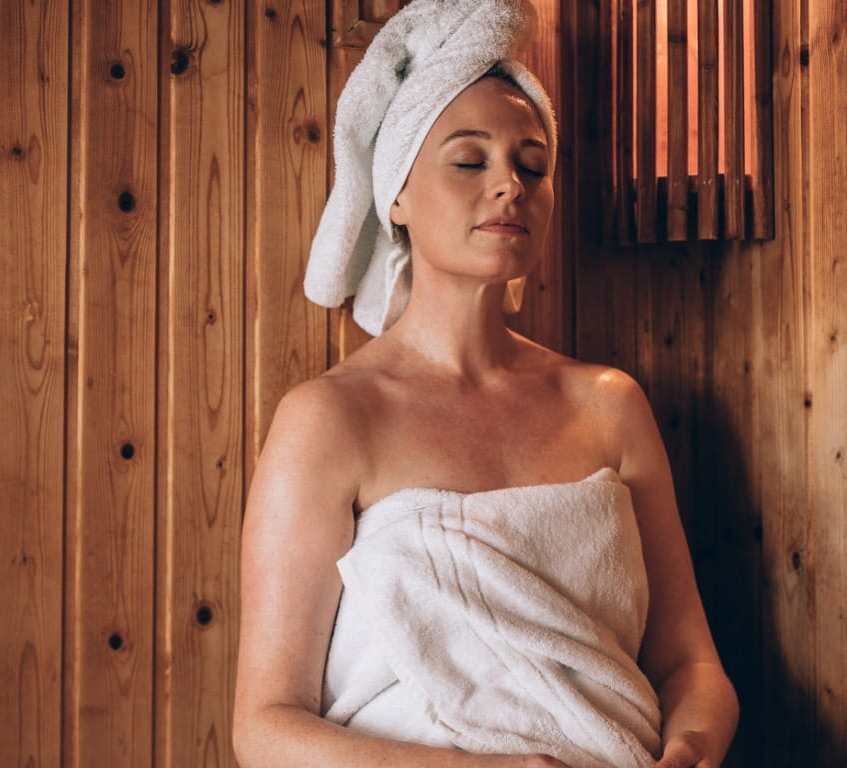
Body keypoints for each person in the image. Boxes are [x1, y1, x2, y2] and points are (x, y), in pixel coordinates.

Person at [233, 1, 738, 766]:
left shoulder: (607, 404)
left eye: (532, 165)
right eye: (470, 161)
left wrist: (692, 748)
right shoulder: (330, 419)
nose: (509, 184)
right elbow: (267, 726)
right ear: (396, 196)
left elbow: (689, 662)